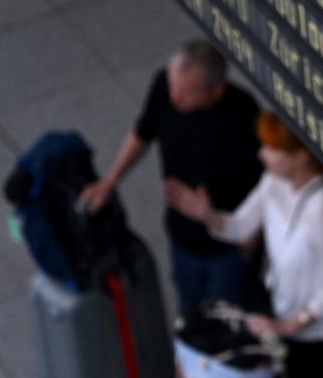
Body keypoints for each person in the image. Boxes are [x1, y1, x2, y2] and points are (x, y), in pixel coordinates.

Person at [165, 112, 323, 378]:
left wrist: (291, 325)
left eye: (270, 148)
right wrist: (208, 215)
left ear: (299, 157)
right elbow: (242, 225)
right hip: (285, 314)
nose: (261, 154)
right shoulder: (274, 182)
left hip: (322, 333)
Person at [79, 40, 263, 316]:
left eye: (186, 93)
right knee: (189, 315)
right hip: (182, 240)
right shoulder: (165, 87)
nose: (174, 98)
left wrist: (238, 230)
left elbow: (266, 188)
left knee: (228, 324)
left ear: (216, 91)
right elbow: (143, 132)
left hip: (228, 250)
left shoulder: (244, 117)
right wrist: (110, 180)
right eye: (172, 86)